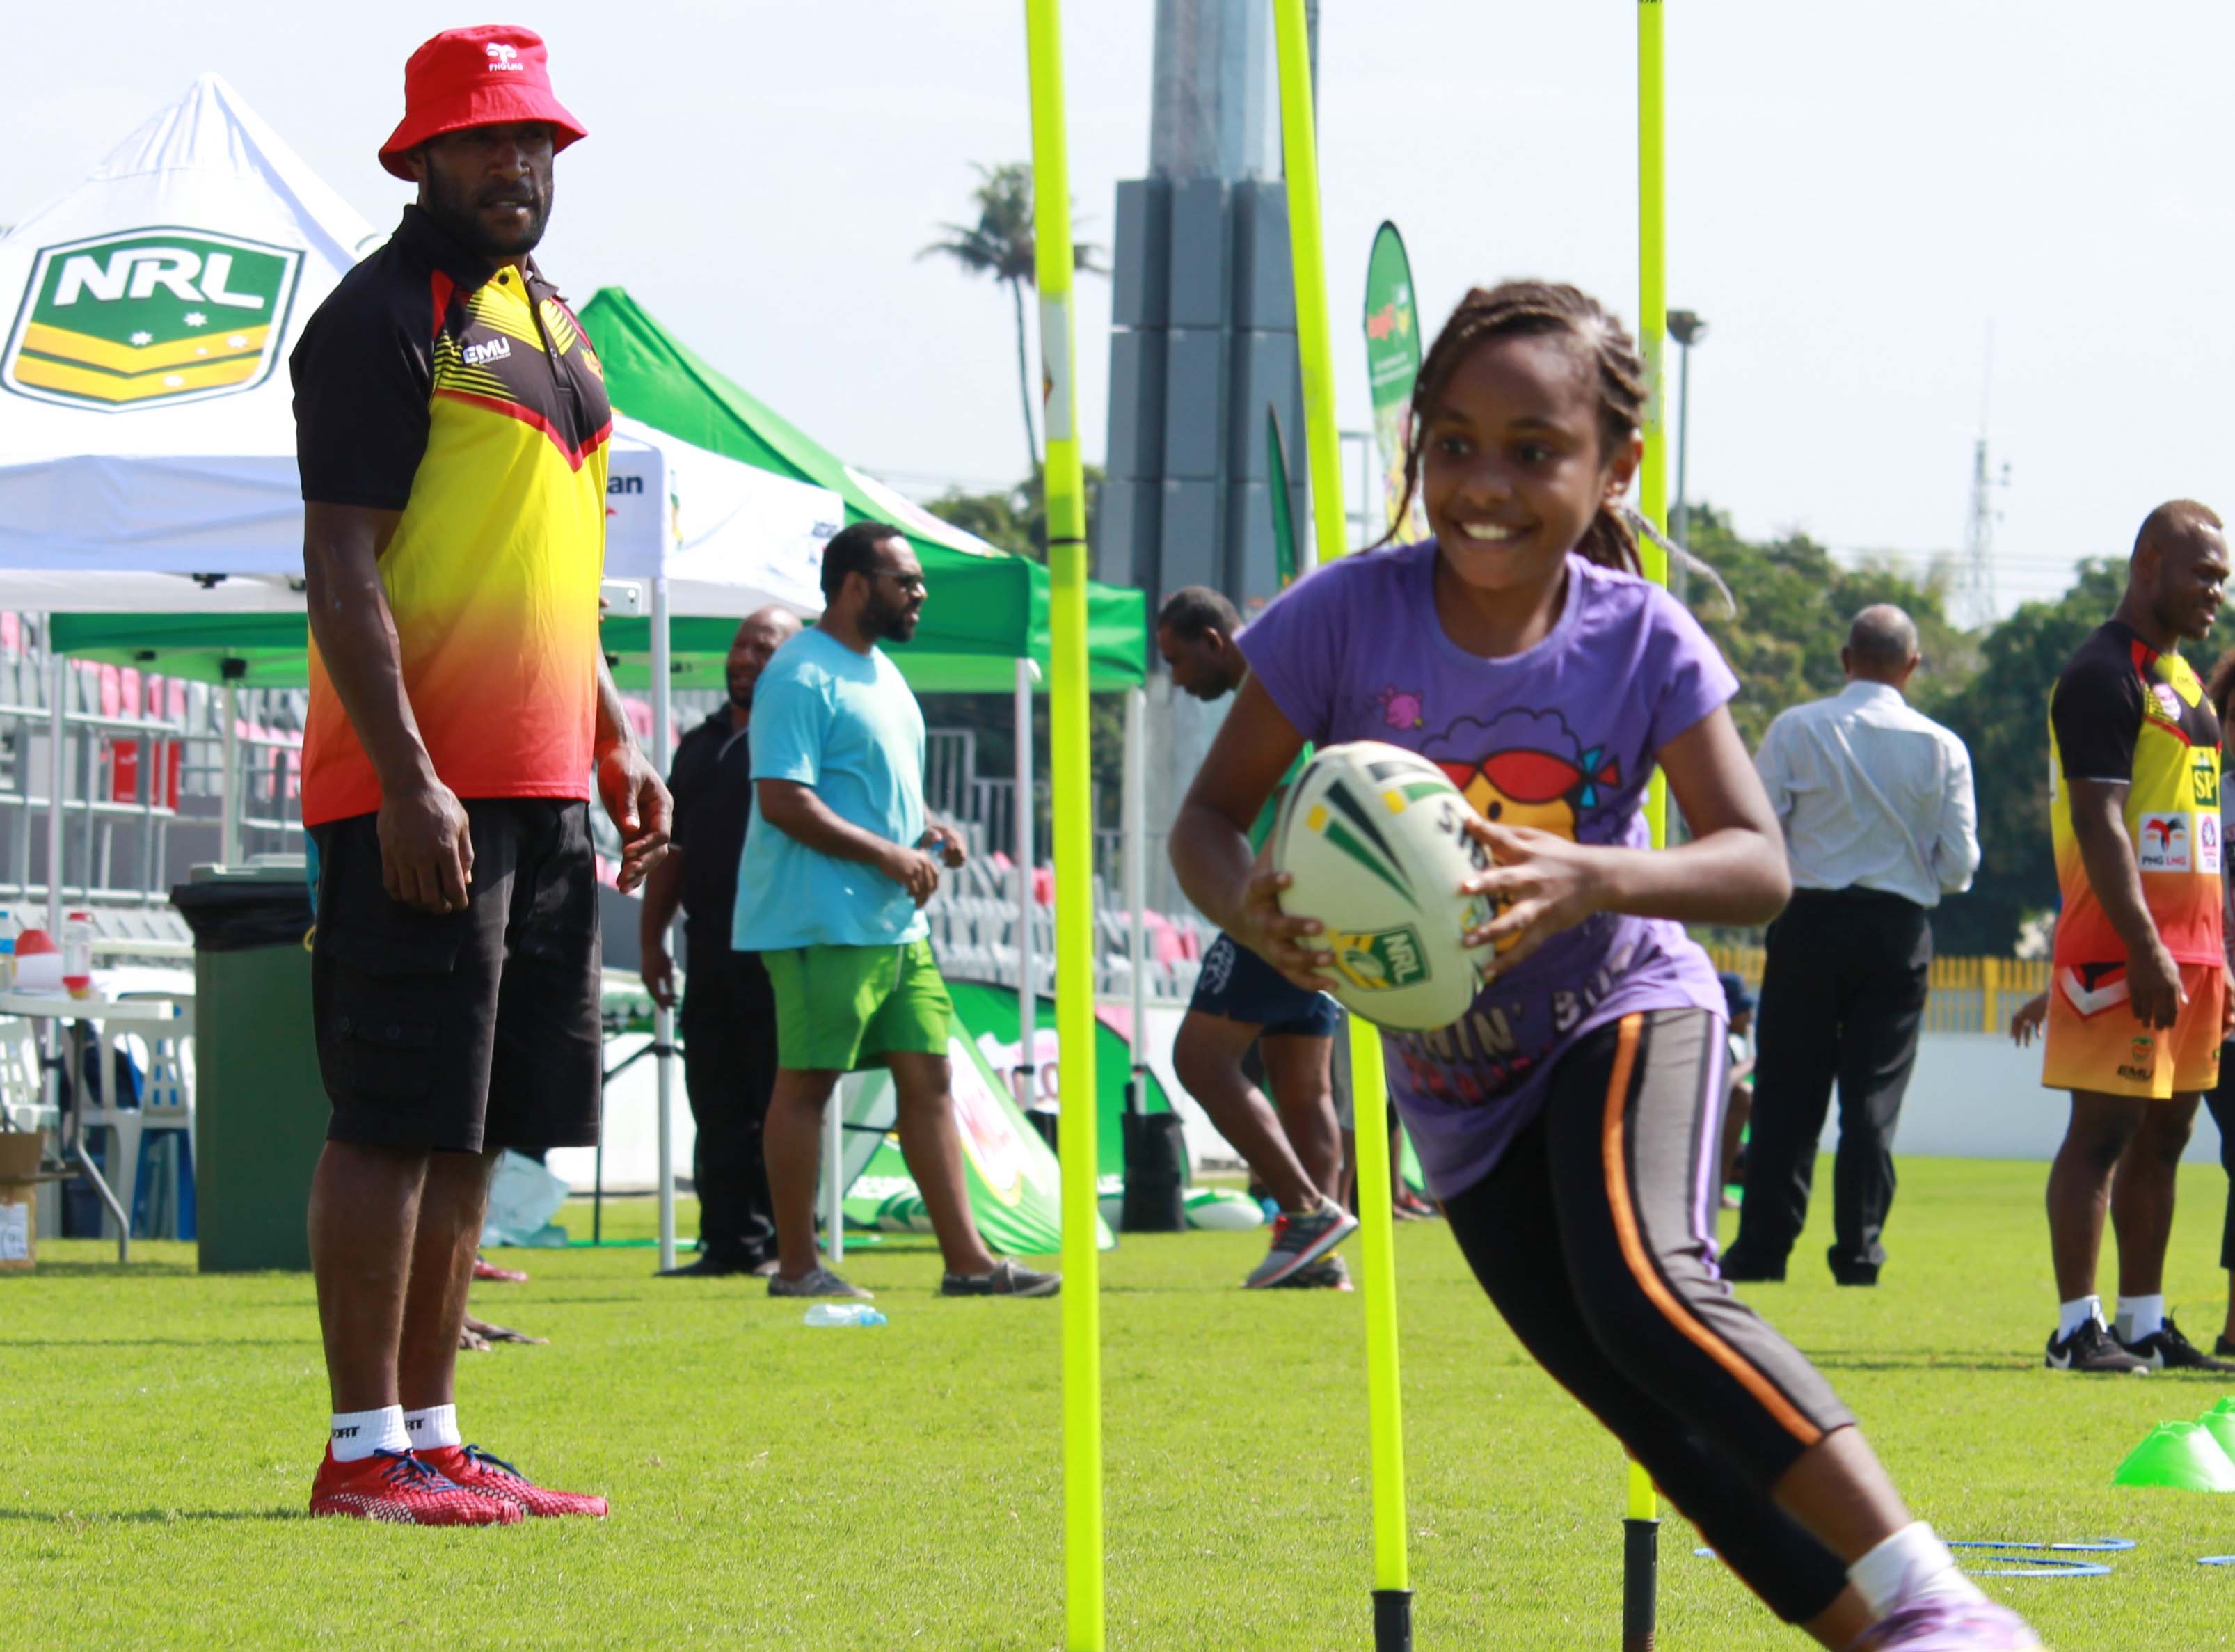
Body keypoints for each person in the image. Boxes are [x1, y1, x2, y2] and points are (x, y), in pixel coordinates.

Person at [1168, 280, 2037, 1649]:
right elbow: (1206, 821)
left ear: (1612, 465)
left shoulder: (1638, 636)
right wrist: (1255, 911)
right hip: (1458, 1096)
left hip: (1624, 1003)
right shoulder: (1342, 617)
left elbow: (1753, 862)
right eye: (1450, 442)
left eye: (1532, 447)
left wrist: (1592, 874)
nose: (1483, 482)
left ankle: (1936, 1593)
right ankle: (1890, 1644)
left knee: (1645, 1286)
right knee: (1643, 1403)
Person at [292, 24, 662, 1525]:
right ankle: (360, 1445)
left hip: (542, 777)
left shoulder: (549, 317)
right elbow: (340, 564)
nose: (518, 165)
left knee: (473, 1115)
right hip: (420, 783)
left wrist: (611, 738)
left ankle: (433, 1431)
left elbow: (544, 553)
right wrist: (407, 776)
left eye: (538, 143)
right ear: (423, 154)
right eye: (488, 141)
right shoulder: (383, 316)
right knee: (390, 1110)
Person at [741, 522, 1058, 1301]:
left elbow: (863, 794)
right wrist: (889, 855)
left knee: (930, 1077)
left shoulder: (882, 674)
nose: (919, 594)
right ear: (856, 584)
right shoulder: (800, 672)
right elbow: (782, 799)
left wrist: (919, 836)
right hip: (821, 919)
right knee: (809, 1084)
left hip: (893, 922)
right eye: (906, 580)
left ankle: (968, 1262)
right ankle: (796, 1267)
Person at [2009, 502, 2234, 1375]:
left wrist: (2211, 949)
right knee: (2098, 1135)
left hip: (2196, 954)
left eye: (2220, 576)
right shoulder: (2100, 674)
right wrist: (2143, 943)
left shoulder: (2181, 681)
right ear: (2147, 564)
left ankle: (2141, 1321)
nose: (2215, 590)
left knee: (2165, 1139)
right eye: (2201, 573)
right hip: (2123, 945)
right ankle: (2075, 1327)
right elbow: (2099, 822)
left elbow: (2198, 830)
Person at [1721, 607, 1980, 1287]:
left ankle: (1761, 1250)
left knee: (1785, 1093)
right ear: (1911, 665)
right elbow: (1957, 867)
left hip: (1807, 920)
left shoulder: (1795, 728)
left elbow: (1754, 827)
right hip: (1896, 930)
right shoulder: (1941, 746)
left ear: (1844, 658)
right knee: (1871, 1098)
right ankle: (1858, 1252)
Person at [1156, 587, 1358, 1289]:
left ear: (1214, 639)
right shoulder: (1292, 681)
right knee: (1302, 1085)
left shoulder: (1274, 692)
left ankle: (1305, 1214)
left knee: (1199, 1061)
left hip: (1279, 904)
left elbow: (1312, 788)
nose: (1176, 681)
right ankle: (1317, 1254)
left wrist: (1258, 896)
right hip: (1326, 911)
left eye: (1177, 660)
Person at [641, 607, 803, 1278]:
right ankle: (726, 1243)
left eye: (763, 648)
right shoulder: (700, 744)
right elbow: (672, 852)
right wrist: (653, 941)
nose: (744, 659)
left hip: (778, 947)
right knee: (713, 1098)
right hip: (708, 948)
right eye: (740, 647)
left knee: (777, 1099)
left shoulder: (794, 738)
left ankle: (778, 1245)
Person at [1718, 971, 1757, 1211]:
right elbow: (1720, 1087)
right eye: (1744, 1012)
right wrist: (1749, 1065)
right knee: (1744, 1095)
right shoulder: (1714, 1039)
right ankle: (1717, 1192)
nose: (1749, 1019)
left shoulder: (1734, 1041)